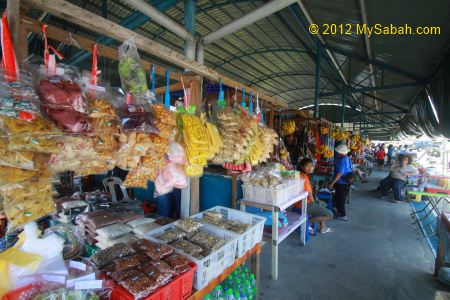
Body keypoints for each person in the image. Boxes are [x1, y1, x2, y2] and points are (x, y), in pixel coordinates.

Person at [294, 158, 333, 233]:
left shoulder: (301, 174)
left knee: (322, 204)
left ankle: (323, 227)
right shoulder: (304, 177)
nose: (310, 168)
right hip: (305, 204)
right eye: (307, 166)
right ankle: (305, 222)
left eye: (311, 166)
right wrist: (314, 203)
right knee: (330, 215)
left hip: (301, 202)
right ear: (302, 167)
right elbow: (309, 194)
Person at [328, 144, 352, 221]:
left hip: (341, 182)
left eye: (337, 152)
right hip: (346, 182)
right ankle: (339, 211)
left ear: (340, 152)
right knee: (340, 198)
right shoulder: (347, 158)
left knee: (340, 199)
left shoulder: (341, 160)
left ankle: (343, 215)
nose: (336, 153)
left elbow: (339, 173)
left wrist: (332, 183)